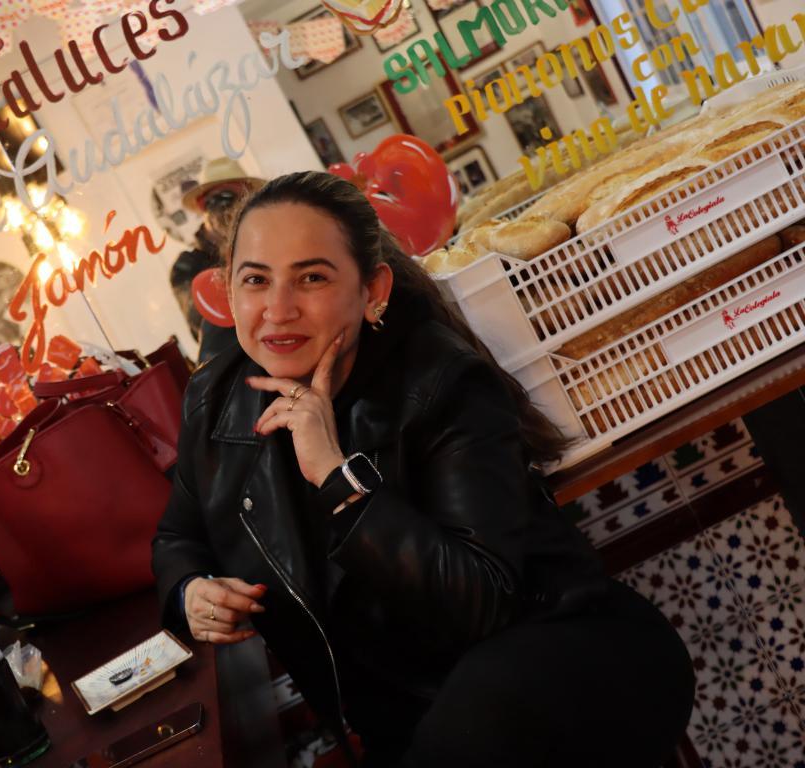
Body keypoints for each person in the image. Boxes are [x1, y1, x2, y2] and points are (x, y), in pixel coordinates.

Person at [152, 172, 694, 767]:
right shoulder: (214, 400)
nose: (278, 310)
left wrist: (337, 476)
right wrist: (190, 591)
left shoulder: (441, 381)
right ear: (229, 292)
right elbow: (178, 535)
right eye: (256, 280)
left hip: (556, 665)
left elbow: (479, 603)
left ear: (373, 290)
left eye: (312, 277)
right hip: (408, 725)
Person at [170, 157, 263, 361]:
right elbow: (201, 319)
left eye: (237, 198)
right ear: (205, 206)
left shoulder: (264, 243)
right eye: (219, 200)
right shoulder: (188, 266)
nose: (227, 209)